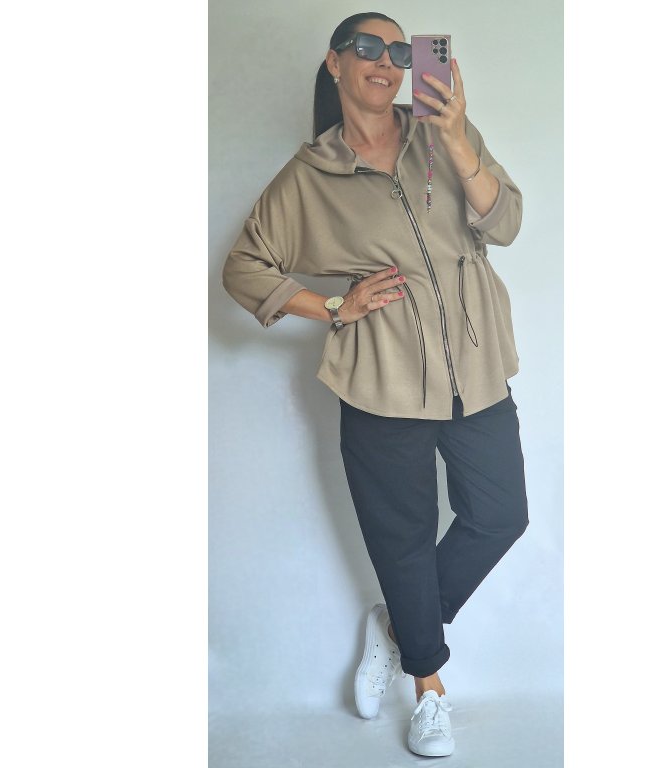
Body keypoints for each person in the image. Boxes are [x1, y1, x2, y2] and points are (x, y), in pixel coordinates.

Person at [222, 11, 529, 758]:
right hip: (381, 376)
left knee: (501, 516)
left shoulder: (443, 134)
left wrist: (456, 137)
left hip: (476, 365)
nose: (386, 61)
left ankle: (396, 627)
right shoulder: (310, 175)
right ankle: (429, 690)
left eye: (398, 50)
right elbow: (244, 268)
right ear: (335, 63)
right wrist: (332, 306)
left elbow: (506, 223)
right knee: (404, 540)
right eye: (368, 47)